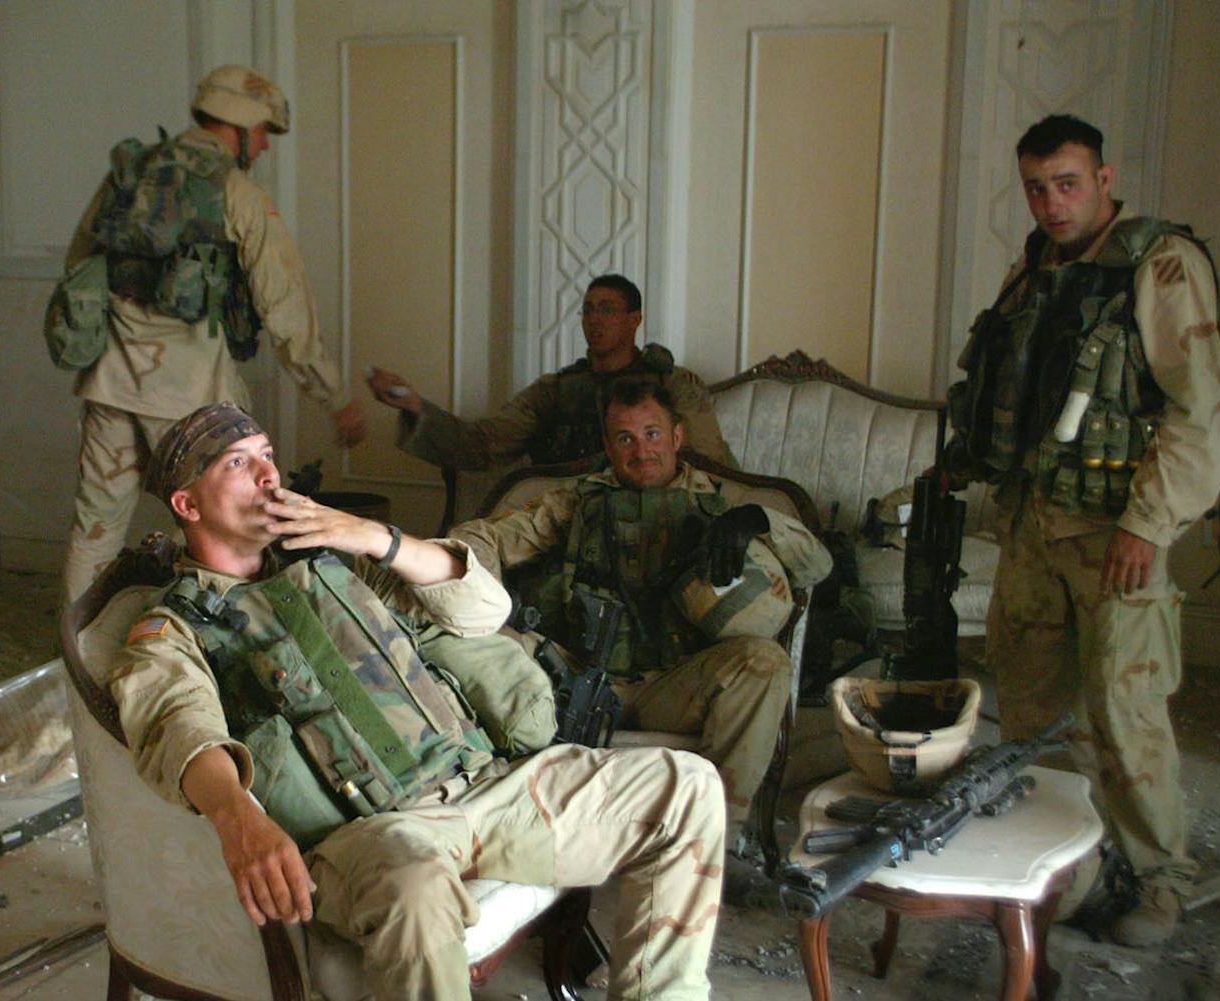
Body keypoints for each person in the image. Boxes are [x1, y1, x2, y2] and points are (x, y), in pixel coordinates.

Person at [108, 402, 726, 1000]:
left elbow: (487, 609)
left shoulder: (337, 570)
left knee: (689, 786)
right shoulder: (174, 628)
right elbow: (178, 725)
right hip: (375, 836)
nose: (269, 474)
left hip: (490, 787)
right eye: (238, 463)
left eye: (267, 454)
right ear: (187, 504)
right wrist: (236, 816)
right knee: (415, 884)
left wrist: (375, 537)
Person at [945, 114, 1220, 947]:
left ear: (1106, 180)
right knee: (1032, 703)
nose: (1051, 203)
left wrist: (1149, 523)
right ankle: (1064, 863)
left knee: (1124, 707)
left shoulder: (1160, 264)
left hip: (1116, 531)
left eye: (1068, 184)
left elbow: (1204, 411)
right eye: (1037, 187)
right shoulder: (1037, 267)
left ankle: (1160, 876)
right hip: (1033, 523)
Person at [450, 378, 832, 832]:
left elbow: (817, 565)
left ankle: (717, 833)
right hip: (574, 677)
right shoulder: (574, 504)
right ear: (608, 446)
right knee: (477, 646)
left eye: (652, 434)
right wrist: (486, 597)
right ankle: (493, 817)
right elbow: (481, 538)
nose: (641, 451)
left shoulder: (719, 504)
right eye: (625, 438)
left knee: (765, 662)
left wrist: (756, 521)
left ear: (677, 436)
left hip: (675, 684)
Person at [61, 65, 365, 601]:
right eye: (263, 132)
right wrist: (334, 397)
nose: (264, 146)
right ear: (240, 125)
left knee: (96, 529)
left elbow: (79, 261)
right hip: (191, 398)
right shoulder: (236, 192)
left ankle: (76, 646)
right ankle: (225, 642)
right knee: (228, 529)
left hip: (110, 381)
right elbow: (286, 306)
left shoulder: (130, 175)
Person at [365, 273, 732, 470]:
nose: (594, 320)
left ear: (634, 319)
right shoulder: (554, 390)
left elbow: (709, 464)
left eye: (607, 310)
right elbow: (485, 444)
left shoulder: (672, 385)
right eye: (588, 310)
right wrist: (416, 407)